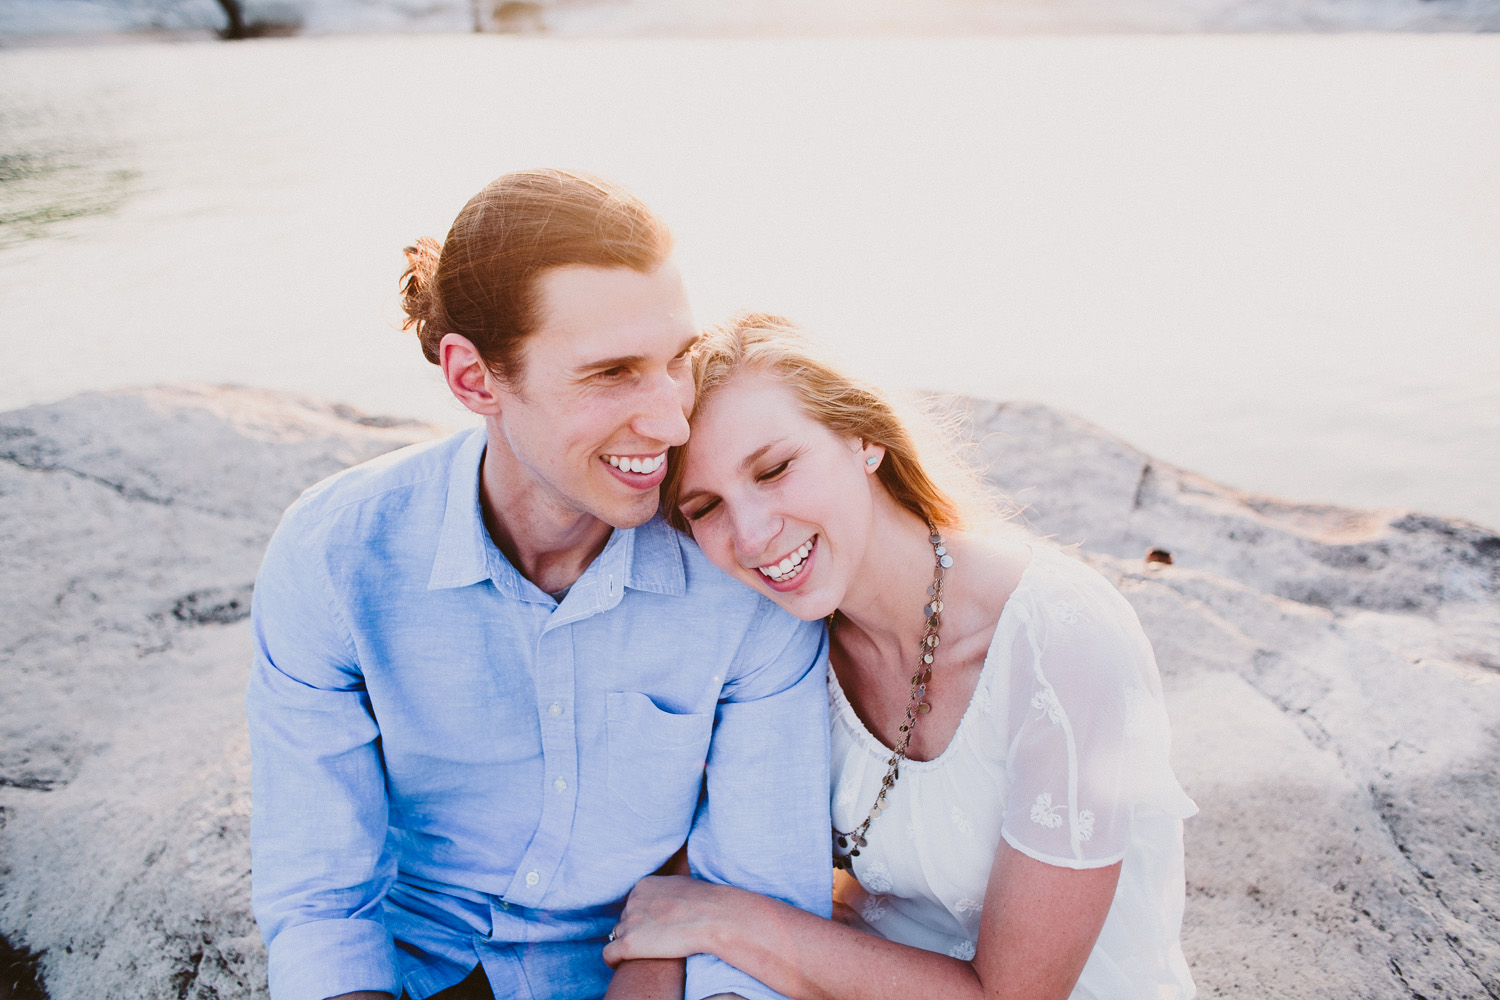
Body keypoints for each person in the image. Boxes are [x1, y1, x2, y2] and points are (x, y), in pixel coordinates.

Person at [246, 173, 832, 1000]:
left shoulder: (743, 566)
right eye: (611, 374)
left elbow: (760, 895)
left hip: (637, 972)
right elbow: (321, 898)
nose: (672, 422)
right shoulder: (337, 557)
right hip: (419, 963)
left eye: (678, 362)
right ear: (475, 379)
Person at [603, 314, 1198, 1000]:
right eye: (705, 508)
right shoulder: (783, 646)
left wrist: (733, 923)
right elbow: (680, 873)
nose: (754, 534)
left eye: (774, 469)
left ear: (863, 438)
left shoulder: (1060, 641)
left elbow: (1015, 997)